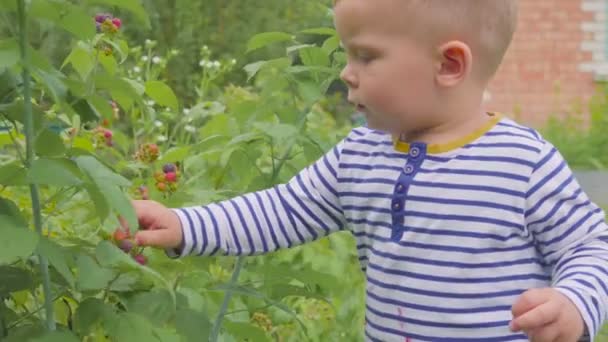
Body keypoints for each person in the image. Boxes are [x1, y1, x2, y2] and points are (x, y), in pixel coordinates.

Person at [121, 0, 608, 340]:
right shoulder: (361, 152)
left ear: (450, 64)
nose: (346, 73)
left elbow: (590, 247)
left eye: (366, 55)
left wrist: (574, 304)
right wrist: (185, 224)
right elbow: (283, 210)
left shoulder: (522, 162)